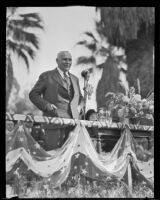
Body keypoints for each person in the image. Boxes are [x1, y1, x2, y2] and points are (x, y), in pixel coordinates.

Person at [29, 51, 84, 150]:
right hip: (54, 123)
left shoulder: (75, 79)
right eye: (64, 59)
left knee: (71, 159)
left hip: (73, 126)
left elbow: (80, 97)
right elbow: (33, 94)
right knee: (54, 158)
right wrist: (47, 106)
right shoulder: (46, 76)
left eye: (70, 59)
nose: (67, 62)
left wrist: (80, 106)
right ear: (57, 61)